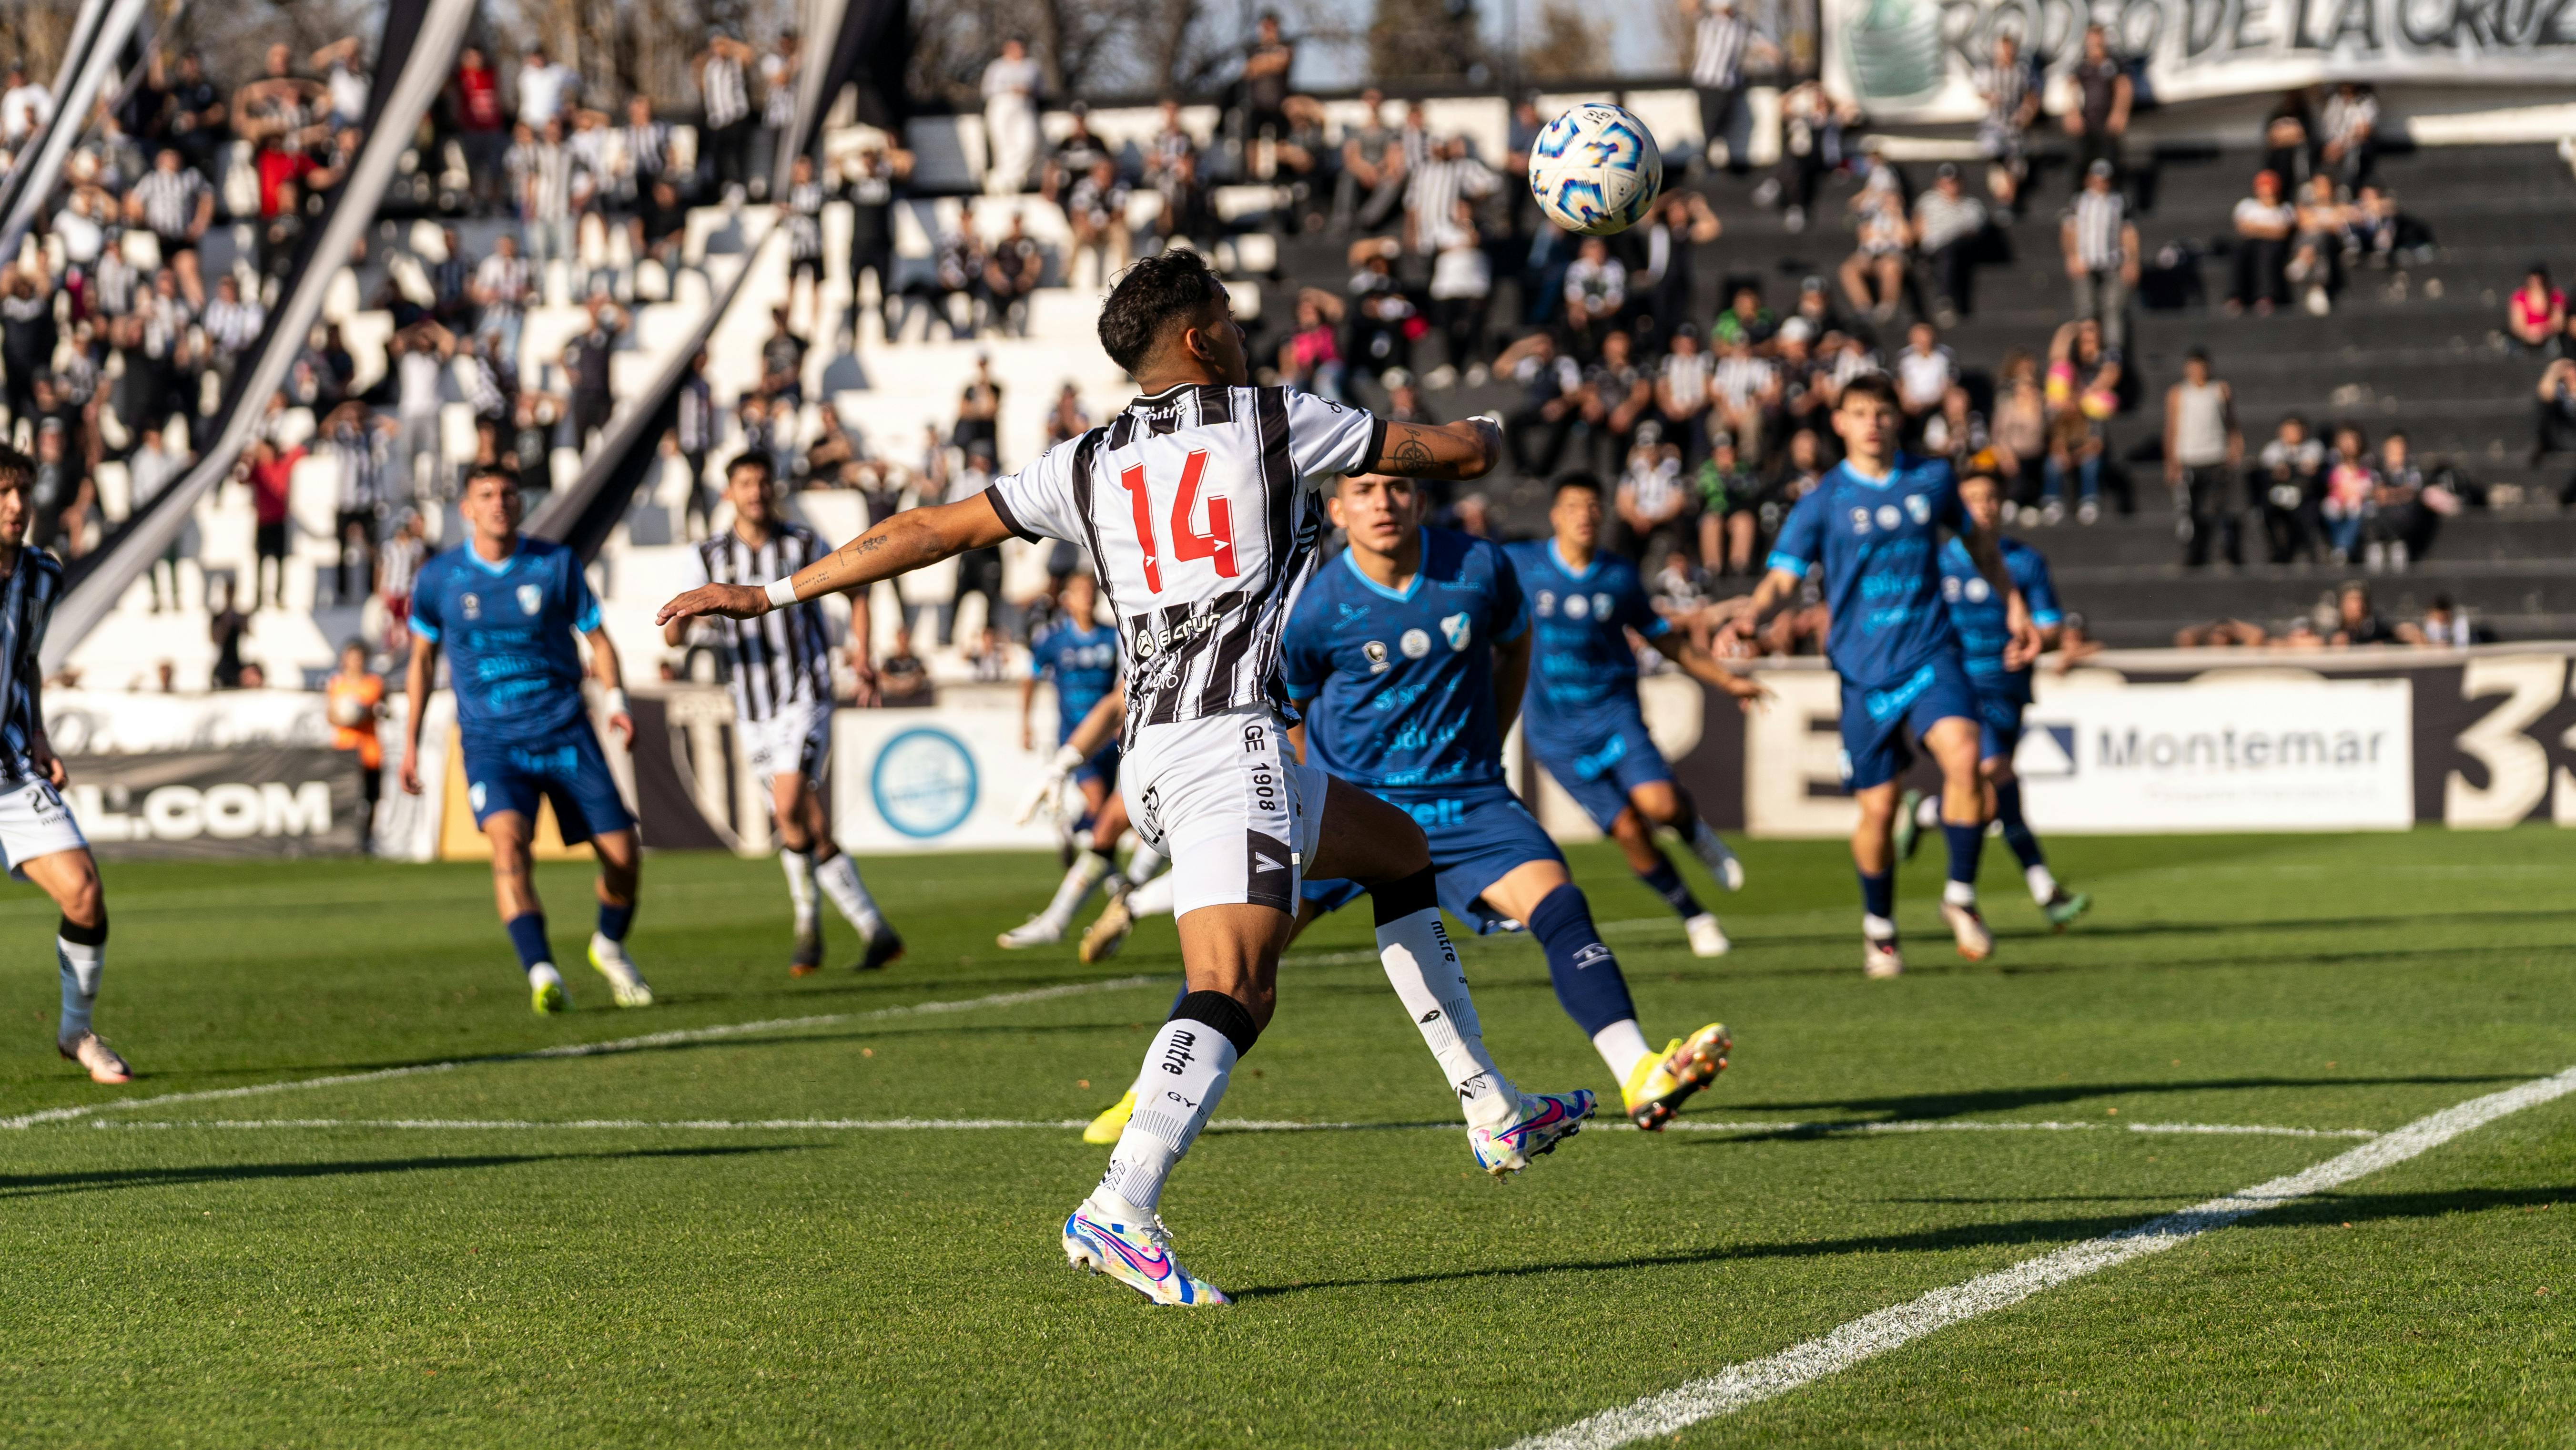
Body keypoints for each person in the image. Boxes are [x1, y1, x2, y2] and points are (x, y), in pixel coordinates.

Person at [656, 246, 1587, 1307]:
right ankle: (1122, 1201)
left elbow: (927, 530)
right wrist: (1520, 410)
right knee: (1234, 987)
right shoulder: (1273, 419)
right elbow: (1458, 453)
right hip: (1227, 741)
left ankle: (1489, 1108)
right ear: (1199, 338)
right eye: (1231, 319)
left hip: (1153, 751)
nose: (1244, 335)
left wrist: (773, 592)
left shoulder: (1086, 459)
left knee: (1399, 853)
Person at [1295, 473, 1735, 1129]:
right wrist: (1318, 790)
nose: (1381, 503)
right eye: (1362, 490)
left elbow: (1514, 645)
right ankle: (1145, 1102)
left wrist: (1486, 748)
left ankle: (1639, 1070)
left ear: (1420, 497)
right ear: (1336, 510)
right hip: (1359, 808)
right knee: (1241, 949)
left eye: (1395, 488)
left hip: (1466, 799)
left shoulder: (1479, 566)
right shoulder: (1316, 602)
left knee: (1561, 906)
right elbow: (1286, 706)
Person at [1722, 375, 2042, 976]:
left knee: (1965, 756)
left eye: (1882, 412)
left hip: (1930, 653)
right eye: (1860, 413)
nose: (1872, 422)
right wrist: (1752, 617)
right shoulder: (1821, 502)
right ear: (1839, 423)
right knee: (1878, 811)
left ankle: (1961, 898)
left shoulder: (1933, 480)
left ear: (1899, 420)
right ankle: (1880, 930)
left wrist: (2016, 607)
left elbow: (1982, 549)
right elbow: (1785, 581)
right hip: (1863, 672)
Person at [400, 467, 653, 1015]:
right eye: (486, 495)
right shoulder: (440, 578)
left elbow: (599, 643)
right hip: (493, 744)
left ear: (521, 503)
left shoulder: (555, 565)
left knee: (624, 859)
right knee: (508, 847)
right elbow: (420, 661)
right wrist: (409, 742)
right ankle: (542, 973)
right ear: (466, 508)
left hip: (565, 731)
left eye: (508, 495)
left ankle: (607, 945)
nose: (499, 504)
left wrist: (618, 704)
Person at [1508, 475, 1765, 959]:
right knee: (1628, 829)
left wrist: (1727, 680)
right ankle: (1695, 916)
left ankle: (1697, 836)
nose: (1585, 515)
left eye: (1593, 506)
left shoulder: (1618, 576)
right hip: (1555, 733)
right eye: (1574, 506)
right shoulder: (1523, 566)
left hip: (1612, 713)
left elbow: (1664, 639)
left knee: (1662, 805)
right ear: (1555, 517)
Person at [667, 452, 902, 975]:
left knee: (788, 802)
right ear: (729, 493)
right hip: (750, 707)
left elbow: (857, 589)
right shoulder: (707, 556)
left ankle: (806, 926)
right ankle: (875, 930)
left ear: (773, 489)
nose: (755, 492)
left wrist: (862, 654)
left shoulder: (802, 544)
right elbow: (673, 630)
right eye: (745, 484)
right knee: (805, 824)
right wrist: (681, 623)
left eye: (762, 482)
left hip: (806, 693)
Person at [1895, 470, 2087, 929]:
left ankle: (1928, 812)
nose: (1983, 506)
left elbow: (2050, 624)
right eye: (1973, 498)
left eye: (1990, 498)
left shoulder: (2024, 561)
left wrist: (2038, 639)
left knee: (1995, 795)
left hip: (2007, 688)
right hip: (1956, 687)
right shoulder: (1937, 562)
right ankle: (2030, 892)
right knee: (1991, 773)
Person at [0, 447, 129, 1083]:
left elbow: (24, 658)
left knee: (83, 891)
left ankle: (76, 1031)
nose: (16, 506)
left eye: (20, 492)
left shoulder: (42, 575)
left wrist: (42, 736)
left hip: (10, 769)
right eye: (1, 494)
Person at [1000, 569, 1164, 950]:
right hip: (1084, 738)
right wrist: (1037, 736)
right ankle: (1094, 905)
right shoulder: (1054, 640)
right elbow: (1035, 677)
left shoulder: (1114, 635)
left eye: (1092, 592)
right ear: (1068, 599)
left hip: (1128, 741)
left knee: (1135, 828)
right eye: (1081, 592)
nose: (1088, 599)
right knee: (1104, 817)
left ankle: (1124, 901)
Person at [2165, 349, 2241, 568]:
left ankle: (2224, 553)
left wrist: (2234, 447)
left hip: (2216, 456)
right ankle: (2192, 555)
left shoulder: (2220, 390)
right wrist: (2172, 461)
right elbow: (2171, 428)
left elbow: (2231, 422)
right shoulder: (2178, 393)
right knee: (2189, 513)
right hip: (2189, 458)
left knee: (2220, 508)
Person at [2062, 159, 2139, 350]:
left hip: (2112, 262)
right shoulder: (2079, 201)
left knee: (2112, 307)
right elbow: (2069, 229)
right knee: (2085, 309)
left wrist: (2131, 261)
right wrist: (2072, 256)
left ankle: (2114, 350)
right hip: (2085, 261)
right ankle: (2086, 350)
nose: (2100, 184)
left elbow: (2128, 232)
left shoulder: (2118, 202)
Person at [1685, 0, 1759, 174]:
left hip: (1726, 83)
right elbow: (1689, 6)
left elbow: (1760, 44)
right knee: (1708, 122)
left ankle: (1709, 157)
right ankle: (1705, 157)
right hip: (1705, 80)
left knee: (1721, 120)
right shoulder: (1707, 19)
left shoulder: (1742, 25)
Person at [327, 641, 385, 853]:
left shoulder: (374, 683)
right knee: (345, 797)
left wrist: (364, 713)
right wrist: (345, 716)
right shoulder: (336, 684)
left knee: (371, 799)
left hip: (370, 751)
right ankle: (343, 840)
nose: (355, 662)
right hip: (344, 751)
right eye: (351, 657)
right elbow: (331, 715)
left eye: (359, 658)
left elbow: (380, 709)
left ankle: (367, 840)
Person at [1913, 164, 1987, 325]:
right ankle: (1944, 299)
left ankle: (1945, 301)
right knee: (1945, 254)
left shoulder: (1971, 205)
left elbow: (1975, 231)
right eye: (1945, 182)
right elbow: (1917, 226)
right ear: (1938, 183)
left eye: (1953, 182)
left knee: (1950, 252)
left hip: (1960, 249)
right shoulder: (1928, 201)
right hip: (1932, 250)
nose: (1950, 186)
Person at [1975, 33, 2038, 214]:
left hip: (2015, 126)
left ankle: (2008, 201)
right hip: (1994, 126)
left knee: (2016, 167)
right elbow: (1980, 90)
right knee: (1995, 157)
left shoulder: (2022, 70)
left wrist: (2027, 112)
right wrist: (1991, 97)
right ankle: (2003, 199)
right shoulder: (1987, 70)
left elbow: (2032, 94)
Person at [2062, 24, 2130, 187]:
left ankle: (2110, 204)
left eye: (2098, 43)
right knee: (2081, 163)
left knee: (2107, 165)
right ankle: (2079, 203)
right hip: (2086, 123)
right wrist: (2072, 113)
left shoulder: (2113, 64)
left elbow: (2124, 87)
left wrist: (2119, 113)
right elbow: (2071, 87)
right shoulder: (2081, 65)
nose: (2095, 48)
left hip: (2106, 123)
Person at [980, 38, 1041, 196]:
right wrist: (1010, 89)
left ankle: (1007, 180)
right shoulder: (996, 67)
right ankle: (1003, 186)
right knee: (1004, 148)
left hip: (1024, 107)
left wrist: (1026, 91)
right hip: (1001, 107)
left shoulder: (1031, 66)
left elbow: (1041, 90)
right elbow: (986, 91)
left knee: (1028, 145)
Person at [2229, 170, 2295, 316]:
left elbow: (2282, 232)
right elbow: (2243, 228)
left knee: (2266, 252)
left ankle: (2266, 297)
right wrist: (2269, 229)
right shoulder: (2247, 205)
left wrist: (2257, 229)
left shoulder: (2285, 209)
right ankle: (2236, 296)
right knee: (2240, 250)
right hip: (2251, 245)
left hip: (2274, 247)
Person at [2509, 265, 2566, 353]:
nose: (2536, 283)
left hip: (2549, 339)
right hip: (2525, 340)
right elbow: (2517, 325)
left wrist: (2543, 330)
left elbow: (2559, 323)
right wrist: (2530, 333)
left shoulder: (2556, 296)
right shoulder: (2520, 297)